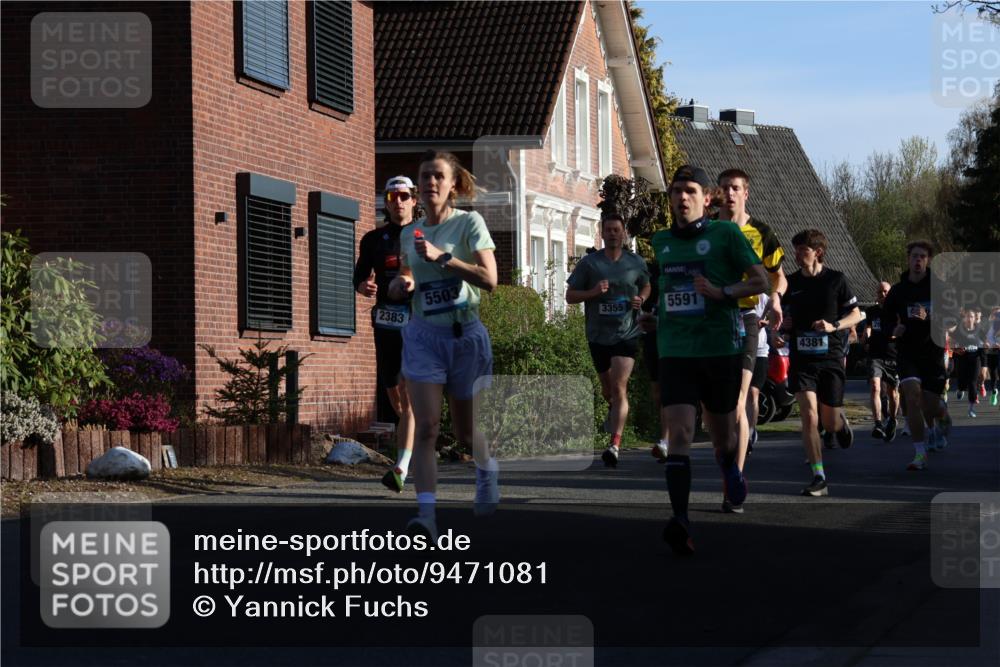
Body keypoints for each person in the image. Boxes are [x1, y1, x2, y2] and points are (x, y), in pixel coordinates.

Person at [651, 165, 768, 554]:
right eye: (676, 192)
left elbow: (760, 281)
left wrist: (722, 291)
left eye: (689, 191)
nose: (681, 198)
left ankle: (729, 466)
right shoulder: (660, 241)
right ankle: (680, 520)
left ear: (706, 198)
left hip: (720, 349)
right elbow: (669, 291)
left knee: (722, 438)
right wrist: (654, 314)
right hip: (676, 350)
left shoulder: (727, 234)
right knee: (681, 433)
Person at [386, 150, 498, 541]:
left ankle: (486, 473)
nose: (430, 182)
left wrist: (444, 258)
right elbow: (405, 276)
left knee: (467, 435)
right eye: (424, 177)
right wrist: (400, 286)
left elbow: (490, 279)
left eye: (438, 176)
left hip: (465, 335)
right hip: (423, 336)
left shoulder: (469, 223)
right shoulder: (408, 232)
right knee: (429, 427)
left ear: (453, 185)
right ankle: (427, 518)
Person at [716, 170, 786, 499]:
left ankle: (736, 479)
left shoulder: (761, 232)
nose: (729, 193)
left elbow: (779, 277)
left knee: (739, 401)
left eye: (735, 188)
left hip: (746, 318)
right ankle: (729, 466)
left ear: (746, 193)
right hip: (712, 319)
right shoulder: (709, 230)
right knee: (716, 409)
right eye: (725, 188)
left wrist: (775, 298)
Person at [781, 229, 863, 497]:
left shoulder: (836, 280)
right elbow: (777, 315)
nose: (796, 255)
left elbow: (857, 314)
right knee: (809, 416)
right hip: (802, 359)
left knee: (828, 422)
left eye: (802, 250)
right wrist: (780, 326)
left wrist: (833, 325)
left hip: (830, 358)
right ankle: (819, 475)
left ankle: (839, 424)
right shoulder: (790, 283)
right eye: (795, 250)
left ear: (818, 252)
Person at [566, 213, 650, 468]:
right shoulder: (589, 264)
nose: (613, 233)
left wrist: (642, 299)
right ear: (601, 233)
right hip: (597, 335)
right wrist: (592, 292)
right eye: (609, 230)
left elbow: (646, 286)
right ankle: (613, 411)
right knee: (608, 389)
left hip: (627, 333)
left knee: (619, 386)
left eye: (617, 230)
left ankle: (614, 444)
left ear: (624, 234)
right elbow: (570, 296)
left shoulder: (636, 262)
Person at [354, 176, 418, 493]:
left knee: (409, 396)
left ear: (414, 201)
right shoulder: (373, 240)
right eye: (391, 196)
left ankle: (401, 467)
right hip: (385, 325)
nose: (398, 201)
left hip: (418, 325)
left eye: (404, 196)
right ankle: (412, 442)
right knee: (394, 394)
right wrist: (364, 286)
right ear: (386, 202)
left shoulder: (425, 236)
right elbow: (359, 275)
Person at [883, 240, 953, 471]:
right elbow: (885, 319)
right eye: (914, 256)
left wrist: (930, 316)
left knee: (931, 406)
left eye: (922, 256)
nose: (918, 260)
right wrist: (894, 329)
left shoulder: (940, 287)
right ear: (908, 259)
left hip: (932, 352)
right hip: (908, 352)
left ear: (928, 260)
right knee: (912, 397)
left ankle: (941, 416)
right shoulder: (898, 290)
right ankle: (919, 453)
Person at [639, 259, 670, 461]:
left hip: (676, 337)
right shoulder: (647, 270)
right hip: (652, 337)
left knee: (669, 391)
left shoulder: (687, 268)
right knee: (658, 393)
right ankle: (666, 436)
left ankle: (666, 440)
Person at [861, 281, 900, 442]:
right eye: (879, 292)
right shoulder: (872, 311)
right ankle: (877, 424)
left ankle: (892, 419)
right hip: (875, 355)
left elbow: (900, 328)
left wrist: (894, 334)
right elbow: (869, 326)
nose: (882, 295)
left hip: (893, 356)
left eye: (885, 292)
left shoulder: (897, 311)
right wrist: (866, 335)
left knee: (892, 393)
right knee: (875, 387)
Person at [952, 309, 985, 418]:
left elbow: (983, 348)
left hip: (975, 359)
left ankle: (971, 409)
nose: (969, 318)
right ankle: (960, 389)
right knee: (961, 382)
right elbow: (951, 343)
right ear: (964, 318)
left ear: (975, 318)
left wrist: (984, 365)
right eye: (968, 316)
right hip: (962, 359)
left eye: (972, 316)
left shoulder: (980, 330)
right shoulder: (959, 330)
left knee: (972, 382)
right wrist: (956, 349)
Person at [986, 308, 1000, 407]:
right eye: (996, 314)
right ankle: (994, 391)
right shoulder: (988, 326)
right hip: (992, 352)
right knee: (993, 375)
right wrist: (991, 344)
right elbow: (985, 338)